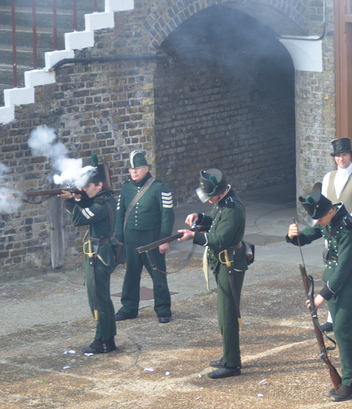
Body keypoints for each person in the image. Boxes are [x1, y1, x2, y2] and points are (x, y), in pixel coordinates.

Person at [287, 187, 352, 401]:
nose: (319, 223)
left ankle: (350, 383)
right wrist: (293, 235)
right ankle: (347, 382)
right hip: (333, 279)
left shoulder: (349, 228)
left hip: (350, 281)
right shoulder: (327, 220)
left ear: (330, 212)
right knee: (341, 332)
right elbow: (307, 235)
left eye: (320, 219)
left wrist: (322, 296)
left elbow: (343, 268)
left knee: (342, 331)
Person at [178, 169, 247, 379]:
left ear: (221, 191)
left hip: (230, 263)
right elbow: (216, 222)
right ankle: (228, 355)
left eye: (212, 197)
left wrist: (193, 236)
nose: (210, 201)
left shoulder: (233, 208)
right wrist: (200, 218)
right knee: (223, 314)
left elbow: (219, 240)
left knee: (228, 314)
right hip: (222, 262)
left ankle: (232, 363)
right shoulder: (224, 202)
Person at [59, 153, 117, 354]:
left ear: (99, 186)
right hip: (101, 253)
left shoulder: (101, 205)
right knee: (103, 299)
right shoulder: (105, 199)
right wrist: (79, 199)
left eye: (88, 186)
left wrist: (70, 202)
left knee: (98, 300)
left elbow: (79, 220)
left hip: (99, 255)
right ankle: (109, 339)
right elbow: (87, 207)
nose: (84, 189)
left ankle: (101, 340)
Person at [319, 137, 352, 338]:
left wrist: (346, 230)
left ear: (351, 155)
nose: (341, 158)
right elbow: (324, 207)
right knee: (333, 273)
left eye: (344, 154)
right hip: (331, 236)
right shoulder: (328, 178)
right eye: (338, 156)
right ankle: (332, 318)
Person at [114, 151, 175, 323]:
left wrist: (164, 240)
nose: (134, 172)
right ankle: (129, 308)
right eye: (132, 169)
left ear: (146, 168)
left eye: (138, 168)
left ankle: (163, 309)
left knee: (158, 274)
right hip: (131, 238)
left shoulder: (159, 187)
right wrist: (120, 238)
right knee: (131, 275)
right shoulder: (126, 188)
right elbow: (120, 214)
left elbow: (167, 215)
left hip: (153, 238)